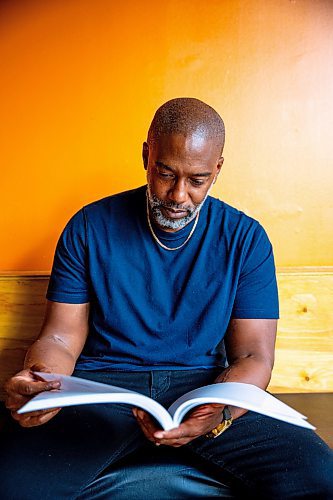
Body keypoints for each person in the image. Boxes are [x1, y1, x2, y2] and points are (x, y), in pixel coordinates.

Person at [2, 98, 333, 499]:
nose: (178, 195)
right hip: (104, 391)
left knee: (320, 478)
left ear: (217, 170)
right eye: (165, 174)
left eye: (197, 180)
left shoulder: (246, 239)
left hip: (203, 389)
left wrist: (220, 413)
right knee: (12, 484)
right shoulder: (89, 226)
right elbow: (59, 338)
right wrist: (41, 380)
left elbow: (253, 357)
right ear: (146, 155)